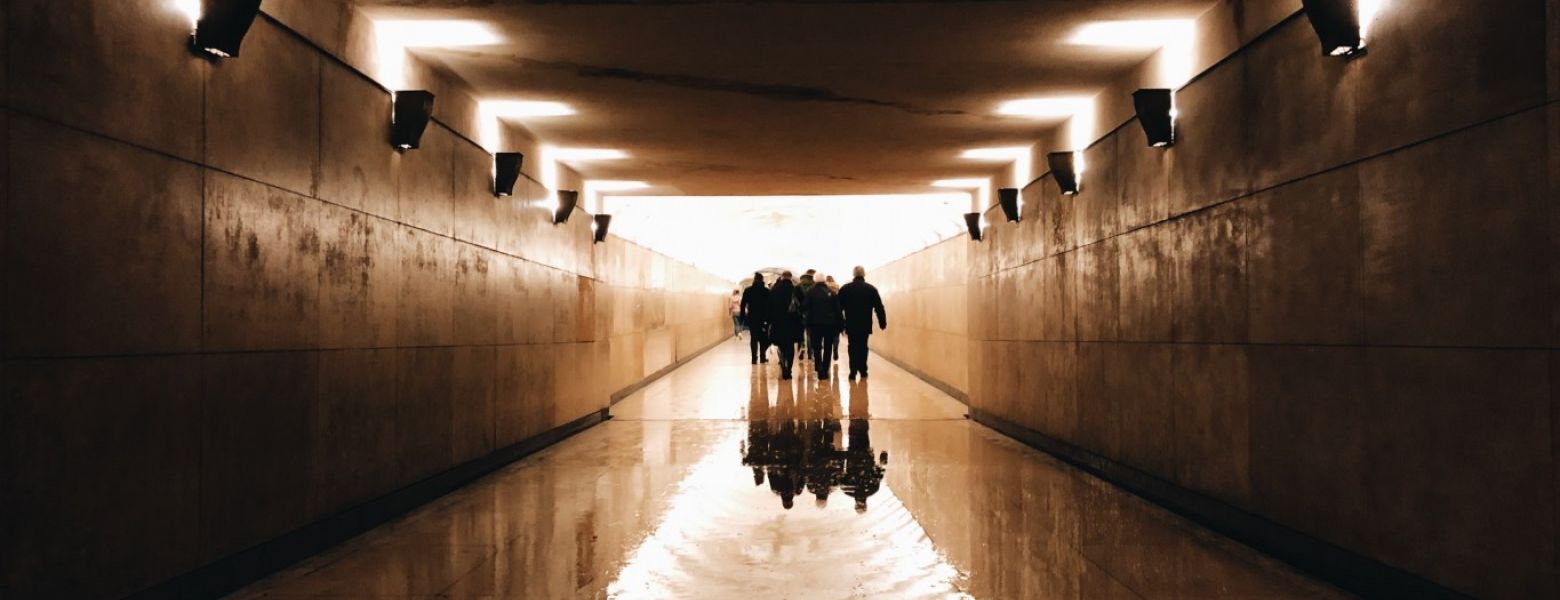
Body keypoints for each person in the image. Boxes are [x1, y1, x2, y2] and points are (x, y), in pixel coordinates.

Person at [837, 265, 886, 380]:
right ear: (864, 274)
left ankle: (853, 371)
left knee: (852, 346)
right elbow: (879, 307)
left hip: (851, 324)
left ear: (853, 274)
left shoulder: (845, 289)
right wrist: (882, 322)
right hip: (865, 324)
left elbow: (838, 308)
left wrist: (840, 324)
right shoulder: (871, 289)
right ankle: (863, 370)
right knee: (863, 346)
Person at [801, 275, 842, 380]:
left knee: (817, 347)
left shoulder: (810, 292)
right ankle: (825, 368)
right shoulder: (831, 293)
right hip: (829, 324)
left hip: (815, 324)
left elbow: (804, 306)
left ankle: (819, 368)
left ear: (815, 281)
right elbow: (838, 310)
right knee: (828, 347)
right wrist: (840, 325)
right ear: (824, 281)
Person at [766, 271, 803, 380]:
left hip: (778, 322)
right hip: (793, 322)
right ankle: (789, 370)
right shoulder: (796, 290)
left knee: (781, 345)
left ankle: (783, 364)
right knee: (790, 346)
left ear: (782, 278)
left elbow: (769, 307)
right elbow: (803, 306)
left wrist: (768, 321)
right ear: (791, 278)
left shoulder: (774, 290)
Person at [741, 273, 771, 364]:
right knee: (763, 338)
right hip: (763, 318)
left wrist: (743, 317)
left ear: (754, 280)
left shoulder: (748, 290)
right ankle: (762, 357)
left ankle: (754, 358)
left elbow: (743, 304)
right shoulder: (766, 291)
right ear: (762, 280)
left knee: (753, 338)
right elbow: (770, 306)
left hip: (752, 317)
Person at [795, 270, 816, 360]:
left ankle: (801, 347)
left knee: (800, 332)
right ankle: (810, 353)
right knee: (810, 334)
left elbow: (794, 301)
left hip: (800, 313)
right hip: (812, 313)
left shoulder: (797, 287)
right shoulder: (815, 286)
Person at [824, 275, 841, 361]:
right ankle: (835, 348)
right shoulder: (837, 287)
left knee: (827, 335)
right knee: (836, 334)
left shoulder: (824, 288)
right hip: (836, 315)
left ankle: (828, 351)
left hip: (826, 315)